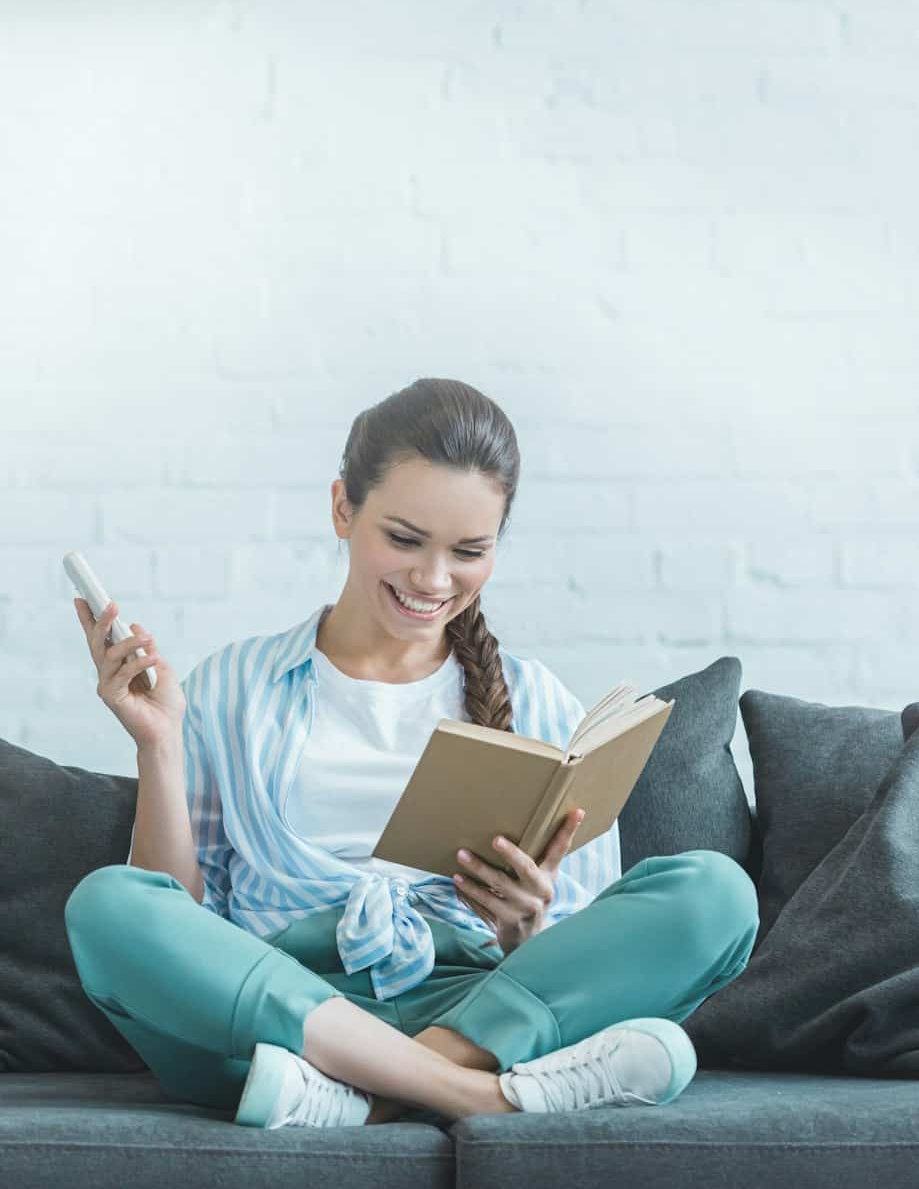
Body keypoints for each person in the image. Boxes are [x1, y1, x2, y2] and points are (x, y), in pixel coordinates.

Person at [63, 378, 759, 1129]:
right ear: (343, 508)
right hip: (279, 1012)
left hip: (467, 1009)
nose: (433, 580)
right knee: (107, 904)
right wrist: (159, 745)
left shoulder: (539, 703)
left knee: (718, 894)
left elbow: (576, 962)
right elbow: (176, 917)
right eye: (403, 538)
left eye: (469, 551)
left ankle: (355, 1098)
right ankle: (469, 1093)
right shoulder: (236, 686)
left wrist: (524, 929)